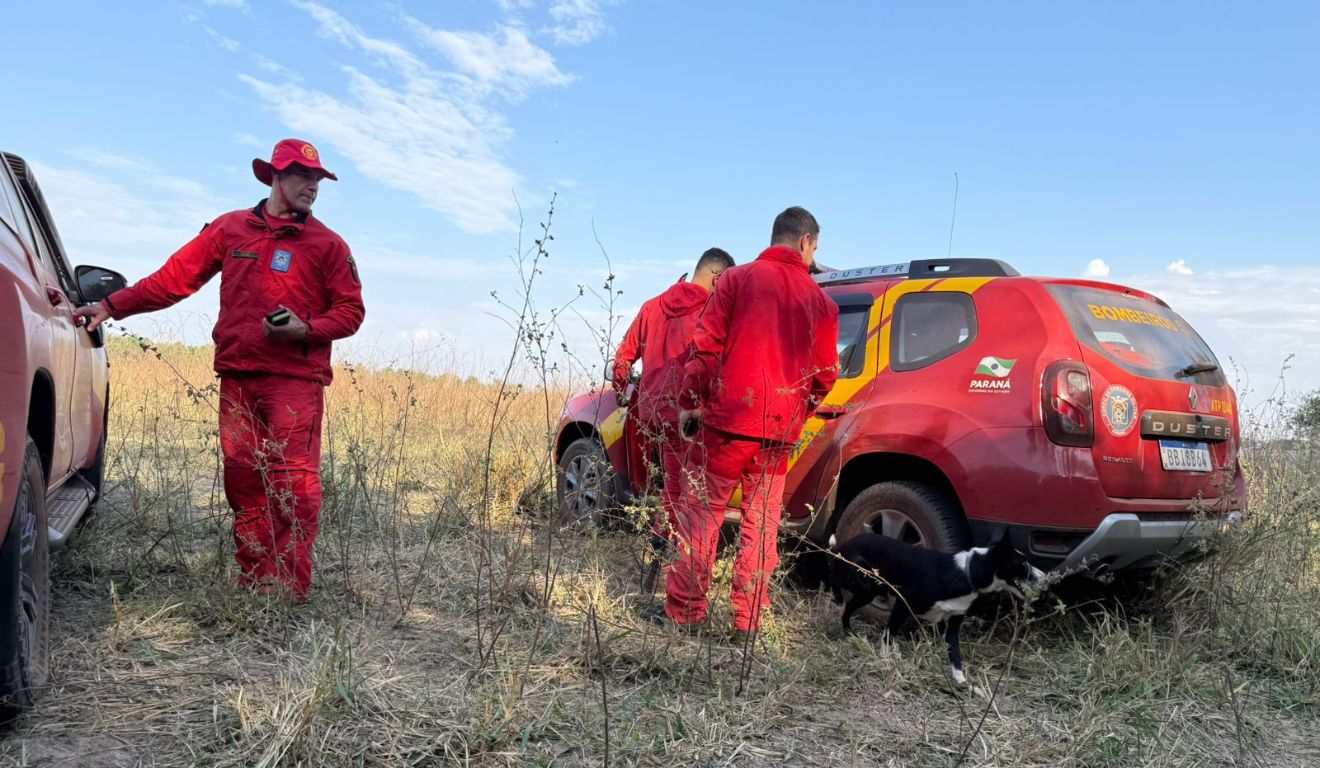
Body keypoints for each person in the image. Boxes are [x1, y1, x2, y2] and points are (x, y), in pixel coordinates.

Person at [75, 139, 365, 601]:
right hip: (237, 376)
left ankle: (286, 588)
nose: (311, 185)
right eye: (301, 175)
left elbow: (351, 312)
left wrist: (304, 329)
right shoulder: (231, 229)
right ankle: (254, 582)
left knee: (295, 485)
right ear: (274, 175)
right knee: (245, 482)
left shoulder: (328, 245)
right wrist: (110, 306)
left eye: (317, 179)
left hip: (295, 383)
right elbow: (173, 279)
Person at [651, 206, 839, 638]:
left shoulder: (736, 281)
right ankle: (747, 620)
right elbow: (825, 375)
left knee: (702, 517)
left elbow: (706, 349)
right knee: (761, 524)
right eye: (815, 249)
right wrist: (797, 411)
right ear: (806, 242)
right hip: (777, 436)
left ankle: (686, 613)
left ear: (776, 237)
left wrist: (690, 404)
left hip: (725, 428)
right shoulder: (822, 304)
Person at [611, 248, 735, 590]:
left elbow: (622, 360)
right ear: (718, 278)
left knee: (673, 489)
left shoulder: (652, 306)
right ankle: (672, 578)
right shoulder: (710, 310)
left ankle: (653, 572)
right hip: (689, 417)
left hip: (653, 416)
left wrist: (624, 394)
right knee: (688, 497)